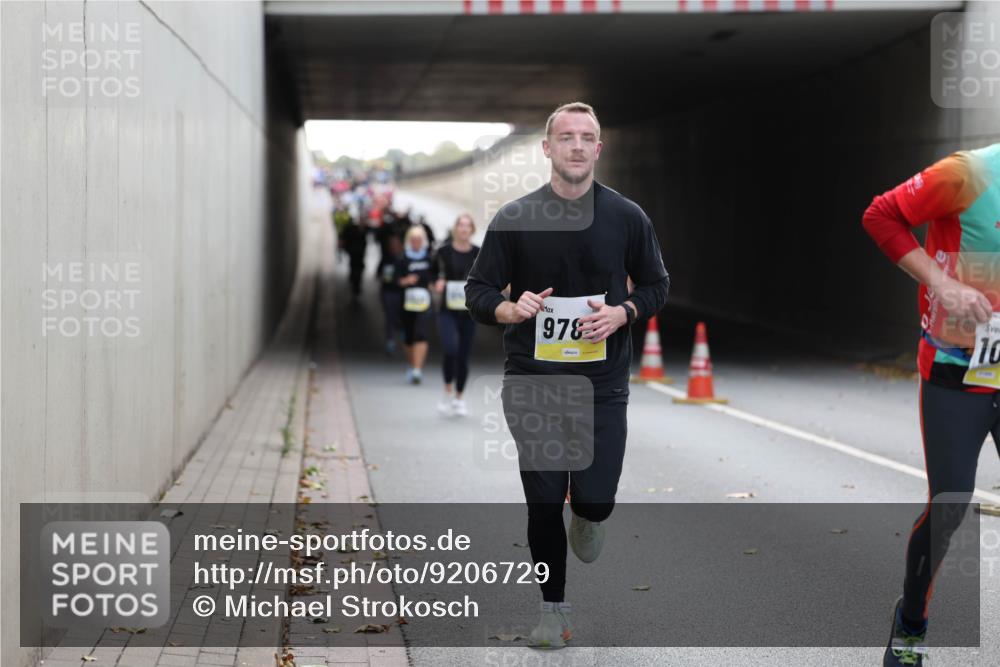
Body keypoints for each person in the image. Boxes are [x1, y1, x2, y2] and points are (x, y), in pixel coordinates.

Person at [465, 102, 669, 648]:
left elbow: (657, 285)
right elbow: (477, 291)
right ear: (547, 148)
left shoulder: (627, 217)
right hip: (532, 381)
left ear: (598, 148)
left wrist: (623, 312)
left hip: (603, 384)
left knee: (595, 499)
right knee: (543, 499)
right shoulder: (515, 218)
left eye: (586, 137)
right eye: (566, 137)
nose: (576, 146)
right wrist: (510, 309)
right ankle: (552, 612)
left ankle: (588, 512)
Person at [862, 144, 1000, 667]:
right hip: (956, 371)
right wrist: (942, 283)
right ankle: (911, 624)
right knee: (950, 504)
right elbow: (881, 215)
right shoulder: (970, 173)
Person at [433, 214, 480, 417]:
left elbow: (486, 276)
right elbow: (432, 274)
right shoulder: (443, 251)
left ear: (472, 230)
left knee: (463, 355)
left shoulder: (478, 253)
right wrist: (436, 283)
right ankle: (447, 390)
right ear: (455, 228)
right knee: (450, 348)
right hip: (447, 308)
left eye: (468, 225)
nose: (464, 229)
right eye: (461, 225)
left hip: (468, 311)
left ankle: (459, 398)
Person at [397, 224, 435, 384]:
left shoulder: (429, 258)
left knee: (421, 333)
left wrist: (434, 284)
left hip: (424, 302)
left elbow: (434, 277)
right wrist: (405, 281)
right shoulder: (403, 259)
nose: (416, 242)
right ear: (409, 241)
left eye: (419, 239)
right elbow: (395, 280)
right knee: (408, 336)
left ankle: (418, 369)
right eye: (413, 239)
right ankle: (413, 364)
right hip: (407, 302)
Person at [379, 235, 405, 356]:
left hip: (402, 292)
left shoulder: (405, 259)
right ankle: (390, 340)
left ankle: (405, 337)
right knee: (390, 317)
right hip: (388, 292)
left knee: (403, 317)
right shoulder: (386, 258)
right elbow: (379, 274)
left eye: (396, 244)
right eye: (392, 244)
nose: (394, 247)